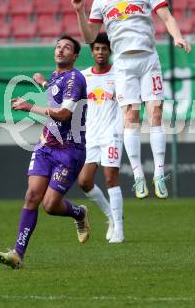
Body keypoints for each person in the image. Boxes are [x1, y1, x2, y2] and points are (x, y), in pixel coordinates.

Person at [71, 0, 191, 200]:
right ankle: (138, 175)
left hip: (148, 59)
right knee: (131, 116)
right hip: (123, 64)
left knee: (156, 113)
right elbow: (89, 37)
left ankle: (159, 174)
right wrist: (80, 12)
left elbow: (166, 16)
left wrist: (177, 36)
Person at [0, 34, 89, 269]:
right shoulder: (57, 76)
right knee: (31, 197)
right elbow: (55, 97)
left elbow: (64, 114)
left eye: (66, 48)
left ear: (75, 56)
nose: (60, 50)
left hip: (69, 150)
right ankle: (18, 254)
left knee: (50, 206)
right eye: (58, 46)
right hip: (46, 146)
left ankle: (78, 213)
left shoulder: (75, 79)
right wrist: (44, 84)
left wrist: (29, 106)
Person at [79, 32, 124, 243]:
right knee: (84, 181)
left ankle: (120, 230)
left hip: (112, 133)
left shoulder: (119, 75)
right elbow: (64, 95)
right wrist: (44, 85)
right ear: (92, 51)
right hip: (91, 135)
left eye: (104, 49)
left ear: (110, 51)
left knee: (110, 178)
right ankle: (111, 217)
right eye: (97, 48)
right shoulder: (84, 76)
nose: (100, 52)